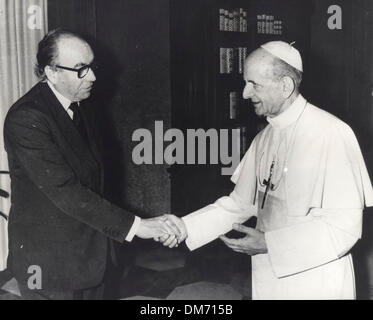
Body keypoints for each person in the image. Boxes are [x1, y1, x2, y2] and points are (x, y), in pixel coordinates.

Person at [161, 41, 373, 299]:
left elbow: (345, 228)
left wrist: (269, 244)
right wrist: (185, 227)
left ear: (285, 86)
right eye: (245, 82)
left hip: (316, 279)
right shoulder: (265, 137)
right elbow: (240, 203)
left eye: (254, 85)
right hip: (268, 273)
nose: (245, 93)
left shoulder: (331, 133)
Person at [3, 28, 179, 300]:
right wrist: (138, 226)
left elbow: (94, 180)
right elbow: (66, 191)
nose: (93, 76)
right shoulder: (27, 119)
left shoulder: (81, 104)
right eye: (80, 69)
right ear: (51, 72)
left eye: (92, 65)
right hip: (49, 265)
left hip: (92, 254)